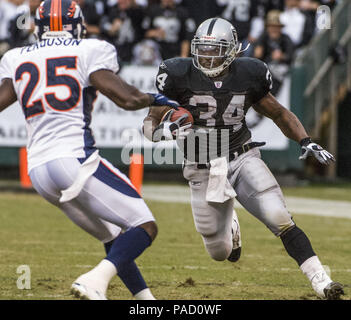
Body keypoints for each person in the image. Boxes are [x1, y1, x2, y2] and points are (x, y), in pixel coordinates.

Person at [143, 17, 345, 300]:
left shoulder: (249, 73)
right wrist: (168, 129)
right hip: (201, 167)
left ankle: (321, 280)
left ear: (232, 50)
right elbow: (149, 127)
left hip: (241, 156)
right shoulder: (176, 74)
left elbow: (279, 113)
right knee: (219, 252)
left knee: (279, 217)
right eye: (202, 49)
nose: (207, 56)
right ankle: (232, 226)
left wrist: (305, 139)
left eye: (215, 50)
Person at [0, 0, 178, 300]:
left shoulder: (16, 56)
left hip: (39, 171)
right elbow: (126, 98)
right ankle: (93, 281)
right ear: (76, 25)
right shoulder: (90, 49)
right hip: (73, 160)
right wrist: (156, 99)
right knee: (145, 225)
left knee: (112, 235)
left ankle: (146, 301)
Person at [253, 10, 295, 95]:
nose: (274, 29)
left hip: (282, 72)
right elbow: (256, 57)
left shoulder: (285, 39)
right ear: (267, 27)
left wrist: (282, 56)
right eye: (271, 27)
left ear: (280, 28)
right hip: (266, 71)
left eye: (276, 27)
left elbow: (291, 56)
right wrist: (258, 55)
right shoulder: (262, 38)